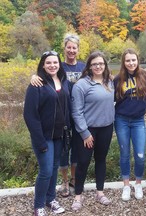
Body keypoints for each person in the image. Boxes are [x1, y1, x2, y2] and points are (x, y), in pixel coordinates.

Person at [30, 33, 85, 197]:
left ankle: (74, 179)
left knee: (77, 149)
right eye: (68, 47)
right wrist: (33, 76)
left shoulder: (83, 67)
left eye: (74, 47)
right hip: (61, 114)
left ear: (78, 49)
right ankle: (64, 181)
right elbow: (43, 76)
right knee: (62, 152)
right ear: (64, 48)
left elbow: (97, 76)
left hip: (80, 114)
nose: (71, 50)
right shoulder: (58, 65)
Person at [24, 51, 70, 216]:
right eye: (48, 63)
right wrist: (39, 140)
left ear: (59, 64)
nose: (52, 65)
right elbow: (30, 115)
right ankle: (38, 206)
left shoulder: (64, 81)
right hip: (43, 136)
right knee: (46, 170)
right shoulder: (37, 84)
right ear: (43, 65)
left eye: (55, 63)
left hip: (59, 135)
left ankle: (50, 199)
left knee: (55, 167)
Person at [70, 51, 115, 211]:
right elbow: (76, 111)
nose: (98, 66)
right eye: (95, 64)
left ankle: (100, 192)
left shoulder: (109, 82)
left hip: (106, 128)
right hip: (87, 131)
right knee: (83, 163)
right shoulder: (81, 85)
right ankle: (78, 196)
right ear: (89, 66)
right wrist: (84, 132)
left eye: (101, 64)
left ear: (105, 65)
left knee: (101, 160)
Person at [114, 48, 146, 201]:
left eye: (133, 60)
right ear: (124, 62)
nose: (131, 63)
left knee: (140, 155)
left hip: (138, 121)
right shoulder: (118, 79)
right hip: (121, 119)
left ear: (138, 60)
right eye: (128, 60)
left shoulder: (145, 76)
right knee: (124, 154)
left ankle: (138, 184)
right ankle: (126, 185)